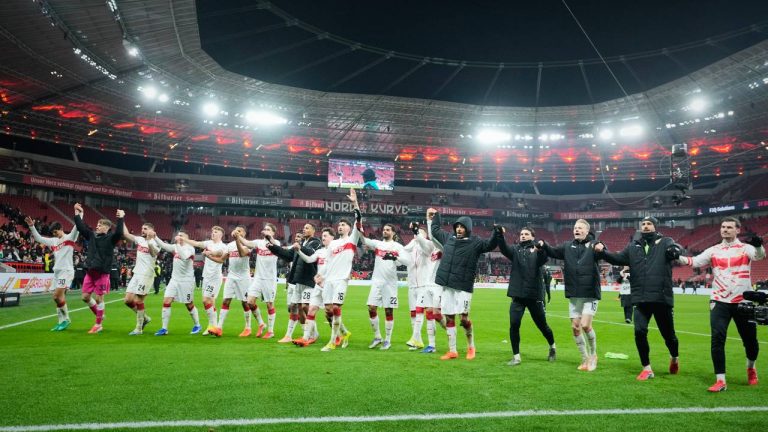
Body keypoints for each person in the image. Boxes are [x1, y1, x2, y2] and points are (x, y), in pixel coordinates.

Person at [676, 217, 765, 391]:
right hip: (719, 300)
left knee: (750, 342)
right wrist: (676, 256)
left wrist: (758, 245)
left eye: (729, 227)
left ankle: (751, 368)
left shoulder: (746, 248)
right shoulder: (714, 250)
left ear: (737, 230)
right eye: (723, 227)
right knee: (717, 339)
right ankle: (720, 380)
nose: (725, 230)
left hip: (743, 301)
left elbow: (760, 256)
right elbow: (694, 261)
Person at [596, 216, 682, 381]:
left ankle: (674, 357)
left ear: (655, 227)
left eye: (649, 224)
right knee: (639, 331)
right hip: (641, 298)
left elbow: (676, 250)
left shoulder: (665, 241)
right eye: (643, 224)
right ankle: (647, 368)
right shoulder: (633, 246)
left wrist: (677, 250)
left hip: (661, 298)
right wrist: (603, 252)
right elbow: (618, 258)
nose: (645, 226)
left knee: (668, 335)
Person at [429, 208, 500, 360]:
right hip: (448, 285)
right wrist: (436, 216)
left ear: (468, 229)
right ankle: (452, 350)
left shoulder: (476, 242)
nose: (459, 229)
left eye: (462, 227)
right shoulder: (448, 238)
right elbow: (435, 230)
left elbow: (490, 245)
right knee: (449, 318)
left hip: (463, 286)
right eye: (457, 226)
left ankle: (471, 347)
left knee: (464, 319)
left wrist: (497, 232)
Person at [538, 219, 602, 371]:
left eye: (580, 228)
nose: (577, 230)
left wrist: (602, 247)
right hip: (574, 294)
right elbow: (553, 251)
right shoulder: (568, 246)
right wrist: (544, 244)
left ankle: (593, 355)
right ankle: (584, 358)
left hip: (590, 293)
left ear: (587, 231)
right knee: (575, 328)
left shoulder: (594, 245)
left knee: (586, 325)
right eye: (575, 228)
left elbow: (603, 250)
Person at [498, 226, 556, 366]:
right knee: (514, 324)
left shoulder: (536, 250)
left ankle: (552, 347)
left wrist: (541, 248)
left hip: (533, 295)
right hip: (517, 294)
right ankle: (516, 356)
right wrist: (500, 235)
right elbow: (504, 248)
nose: (523, 236)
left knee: (542, 326)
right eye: (521, 234)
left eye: (526, 234)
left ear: (532, 236)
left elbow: (544, 258)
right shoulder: (515, 250)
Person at [313, 189, 361, 352]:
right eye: (339, 225)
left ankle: (333, 341)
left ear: (349, 228)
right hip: (329, 281)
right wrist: (320, 275)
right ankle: (344, 332)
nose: (340, 226)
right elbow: (327, 262)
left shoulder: (352, 239)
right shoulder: (332, 244)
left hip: (341, 280)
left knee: (335, 308)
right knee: (327, 311)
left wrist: (355, 203)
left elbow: (358, 219)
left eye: (343, 225)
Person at [360, 222, 412, 350]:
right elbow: (363, 240)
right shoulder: (378, 244)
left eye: (388, 230)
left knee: (388, 310)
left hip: (390, 283)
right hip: (377, 281)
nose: (385, 231)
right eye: (384, 229)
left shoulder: (398, 247)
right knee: (371, 308)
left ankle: (387, 340)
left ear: (393, 232)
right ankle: (378, 337)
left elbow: (408, 261)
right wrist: (359, 229)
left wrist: (394, 256)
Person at [73, 204, 124, 334]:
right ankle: (100, 315)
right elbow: (80, 227)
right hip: (90, 272)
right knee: (85, 297)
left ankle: (98, 324)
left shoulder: (111, 238)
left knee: (98, 299)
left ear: (107, 228)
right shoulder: (92, 235)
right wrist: (77, 213)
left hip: (102, 273)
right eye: (97, 224)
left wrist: (120, 218)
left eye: (100, 225)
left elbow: (119, 232)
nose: (97, 226)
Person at [25, 216, 78, 331]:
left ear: (61, 228)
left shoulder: (70, 237)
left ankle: (66, 319)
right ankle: (61, 321)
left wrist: (79, 213)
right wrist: (31, 226)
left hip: (66, 271)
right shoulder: (53, 241)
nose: (55, 234)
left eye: (56, 232)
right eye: (53, 233)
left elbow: (77, 227)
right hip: (57, 272)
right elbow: (39, 238)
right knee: (58, 298)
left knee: (56, 296)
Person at [269, 227, 321, 343]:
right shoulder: (301, 243)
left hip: (309, 281)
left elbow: (310, 253)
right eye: (304, 228)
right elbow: (287, 255)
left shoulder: (316, 243)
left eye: (307, 228)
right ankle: (288, 335)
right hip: (298, 280)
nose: (304, 229)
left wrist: (300, 247)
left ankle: (313, 333)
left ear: (313, 231)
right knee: (293, 306)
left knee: (305, 307)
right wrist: (273, 248)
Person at [237, 223, 281, 339]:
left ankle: (271, 331)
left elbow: (274, 244)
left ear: (273, 232)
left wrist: (269, 237)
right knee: (249, 301)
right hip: (258, 278)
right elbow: (246, 243)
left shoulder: (276, 243)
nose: (266, 231)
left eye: (268, 229)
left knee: (269, 304)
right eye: (265, 229)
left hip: (269, 279)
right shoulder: (258, 243)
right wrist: (238, 236)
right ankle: (261, 323)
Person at [154, 231, 201, 336]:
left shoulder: (190, 249)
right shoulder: (175, 246)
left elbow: (184, 256)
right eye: (178, 235)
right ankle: (164, 328)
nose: (179, 237)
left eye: (181, 235)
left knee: (189, 304)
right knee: (166, 301)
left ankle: (197, 325)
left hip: (186, 281)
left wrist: (178, 245)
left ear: (186, 238)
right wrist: (155, 237)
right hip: (174, 280)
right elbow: (164, 245)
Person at [183, 226, 228, 335]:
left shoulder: (223, 246)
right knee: (211, 302)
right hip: (206, 276)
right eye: (212, 231)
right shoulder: (208, 243)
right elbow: (197, 243)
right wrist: (184, 240)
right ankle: (213, 326)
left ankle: (212, 326)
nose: (213, 233)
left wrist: (208, 253)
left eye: (215, 232)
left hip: (215, 277)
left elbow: (219, 254)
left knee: (205, 300)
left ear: (221, 234)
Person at [294, 227, 335, 346]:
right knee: (311, 309)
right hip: (318, 286)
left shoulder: (335, 252)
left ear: (332, 238)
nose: (323, 237)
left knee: (329, 312)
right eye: (322, 235)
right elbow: (308, 260)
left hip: (329, 286)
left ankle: (337, 334)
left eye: (326, 235)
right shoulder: (320, 252)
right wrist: (298, 251)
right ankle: (306, 337)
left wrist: (325, 277)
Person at [209, 226, 252, 337]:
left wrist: (237, 239)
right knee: (226, 301)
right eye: (236, 230)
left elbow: (242, 253)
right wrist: (208, 256)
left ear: (244, 234)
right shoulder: (229, 246)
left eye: (240, 231)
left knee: (245, 303)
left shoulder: (248, 244)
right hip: (231, 276)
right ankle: (219, 328)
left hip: (244, 278)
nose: (237, 232)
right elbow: (221, 260)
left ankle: (248, 327)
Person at [411, 216, 445, 354]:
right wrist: (415, 231)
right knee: (429, 314)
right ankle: (432, 345)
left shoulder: (444, 248)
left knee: (437, 315)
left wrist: (430, 221)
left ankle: (450, 330)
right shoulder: (431, 249)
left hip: (438, 286)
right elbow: (423, 241)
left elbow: (432, 237)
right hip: (427, 285)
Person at [121, 220, 159, 335]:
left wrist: (150, 241)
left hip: (146, 274)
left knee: (138, 300)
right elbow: (126, 234)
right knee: (128, 300)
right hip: (137, 273)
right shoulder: (140, 239)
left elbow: (153, 254)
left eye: (145, 229)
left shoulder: (156, 242)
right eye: (142, 228)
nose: (143, 230)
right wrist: (122, 219)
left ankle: (139, 328)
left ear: (152, 231)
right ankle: (145, 318)